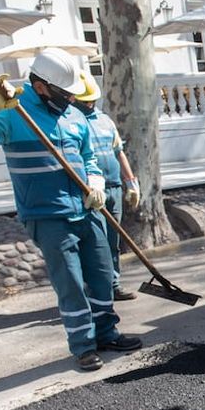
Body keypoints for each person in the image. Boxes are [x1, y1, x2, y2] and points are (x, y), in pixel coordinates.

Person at [0, 48, 142, 372]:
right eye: (64, 92)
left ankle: (107, 333)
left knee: (100, 276)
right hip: (47, 216)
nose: (70, 98)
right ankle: (83, 346)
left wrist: (95, 182)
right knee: (69, 282)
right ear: (41, 87)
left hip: (88, 210)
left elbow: (89, 158)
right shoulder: (13, 115)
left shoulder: (74, 116)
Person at [73, 71, 140, 302]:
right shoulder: (71, 123)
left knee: (113, 241)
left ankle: (113, 285)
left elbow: (118, 152)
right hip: (91, 192)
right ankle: (97, 289)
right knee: (96, 244)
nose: (90, 104)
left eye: (92, 99)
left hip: (113, 188)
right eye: (85, 101)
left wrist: (131, 182)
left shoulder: (105, 120)